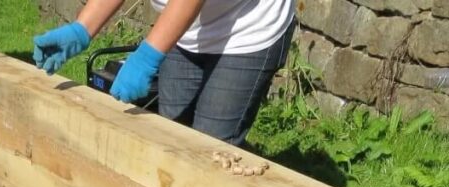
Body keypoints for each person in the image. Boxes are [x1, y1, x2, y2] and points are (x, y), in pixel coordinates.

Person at [32, 0, 295, 145]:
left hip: (248, 28)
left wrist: (147, 57)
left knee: (210, 150)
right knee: (171, 138)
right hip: (185, 30)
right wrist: (82, 29)